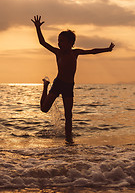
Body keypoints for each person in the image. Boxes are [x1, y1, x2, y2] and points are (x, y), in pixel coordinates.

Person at [31, 15, 115, 143]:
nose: (59, 43)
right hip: (58, 83)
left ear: (71, 43)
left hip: (69, 86)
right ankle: (45, 86)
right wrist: (38, 28)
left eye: (62, 41)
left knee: (68, 115)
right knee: (44, 109)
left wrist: (107, 49)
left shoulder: (75, 53)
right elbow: (42, 42)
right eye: (58, 41)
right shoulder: (57, 52)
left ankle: (69, 140)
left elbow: (92, 51)